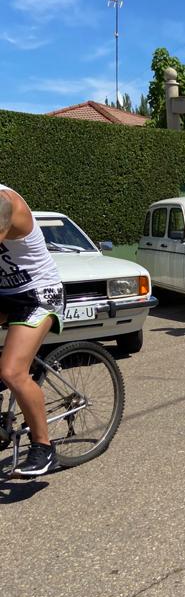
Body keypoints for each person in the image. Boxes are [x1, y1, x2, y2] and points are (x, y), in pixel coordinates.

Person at [0, 184, 65, 476]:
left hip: (39, 293)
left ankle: (43, 447)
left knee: (12, 372)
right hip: (6, 294)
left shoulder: (4, 202)